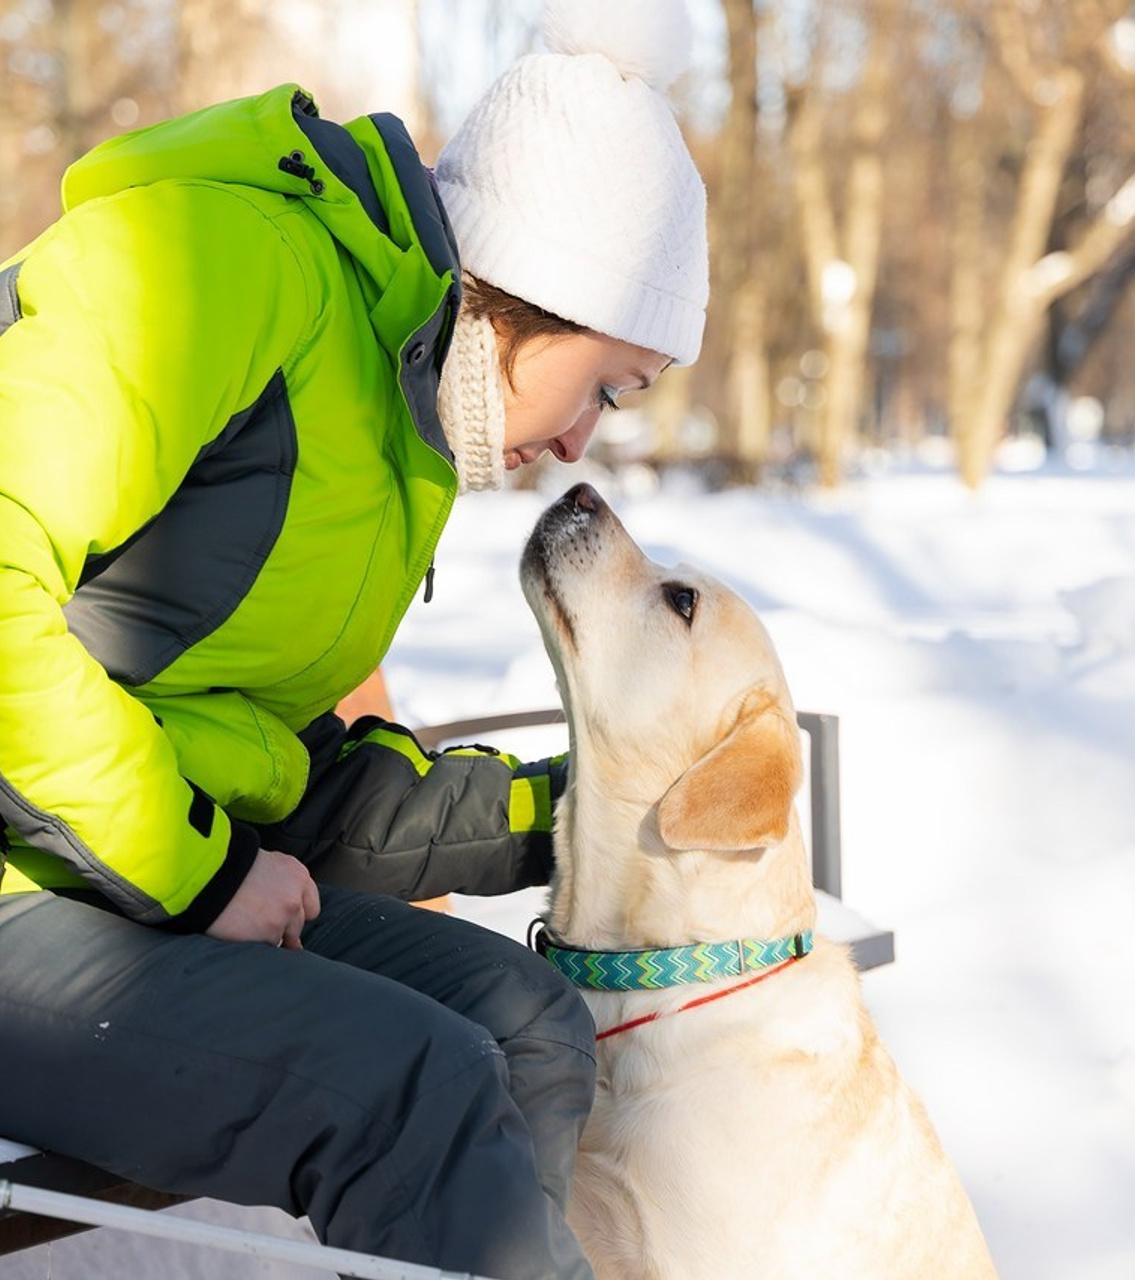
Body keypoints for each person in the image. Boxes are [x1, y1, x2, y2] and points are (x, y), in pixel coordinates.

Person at [0, 0, 707, 1274]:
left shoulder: (396, 406)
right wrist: (208, 876)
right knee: (415, 1093)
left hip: (121, 874)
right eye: (605, 384)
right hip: (31, 888)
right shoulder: (218, 265)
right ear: (531, 291)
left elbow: (275, 759)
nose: (580, 442)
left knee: (528, 1025)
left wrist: (571, 810)